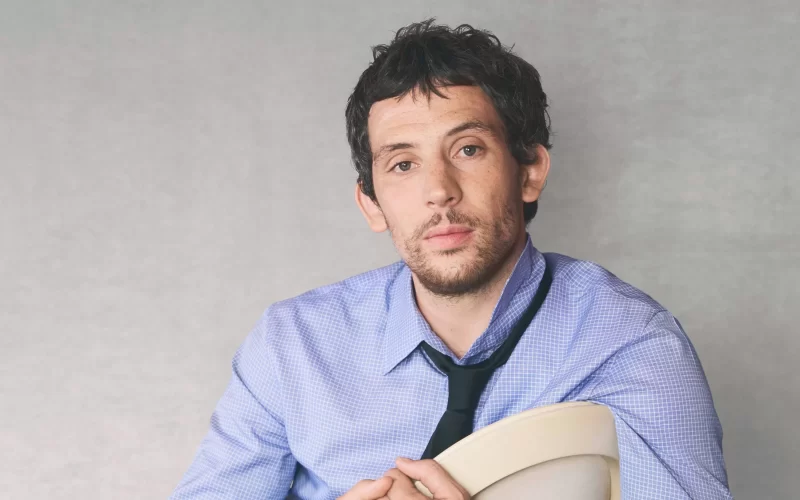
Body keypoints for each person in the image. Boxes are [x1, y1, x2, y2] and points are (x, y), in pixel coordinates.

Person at [171, 19, 732, 500]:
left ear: (530, 171)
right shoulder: (292, 345)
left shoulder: (631, 341)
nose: (439, 191)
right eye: (402, 164)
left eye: (468, 149)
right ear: (371, 204)